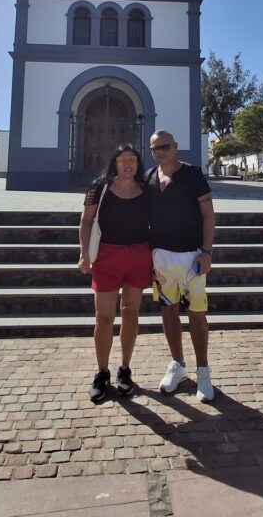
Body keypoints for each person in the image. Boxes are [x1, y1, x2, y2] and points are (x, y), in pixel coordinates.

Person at [144, 128, 217, 402]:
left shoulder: (192, 175)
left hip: (191, 257)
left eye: (164, 146)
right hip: (161, 258)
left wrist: (207, 251)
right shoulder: (149, 177)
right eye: (154, 148)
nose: (159, 152)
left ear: (175, 146)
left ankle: (203, 370)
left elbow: (208, 215)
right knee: (168, 311)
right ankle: (177, 364)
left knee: (197, 314)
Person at [77, 143, 153, 403]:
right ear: (114, 163)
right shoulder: (100, 186)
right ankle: (102, 372)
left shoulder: (147, 189)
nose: (128, 164)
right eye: (122, 160)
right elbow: (86, 220)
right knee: (104, 317)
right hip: (108, 256)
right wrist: (84, 253)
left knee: (131, 312)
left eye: (132, 159)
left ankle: (124, 370)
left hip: (139, 255)